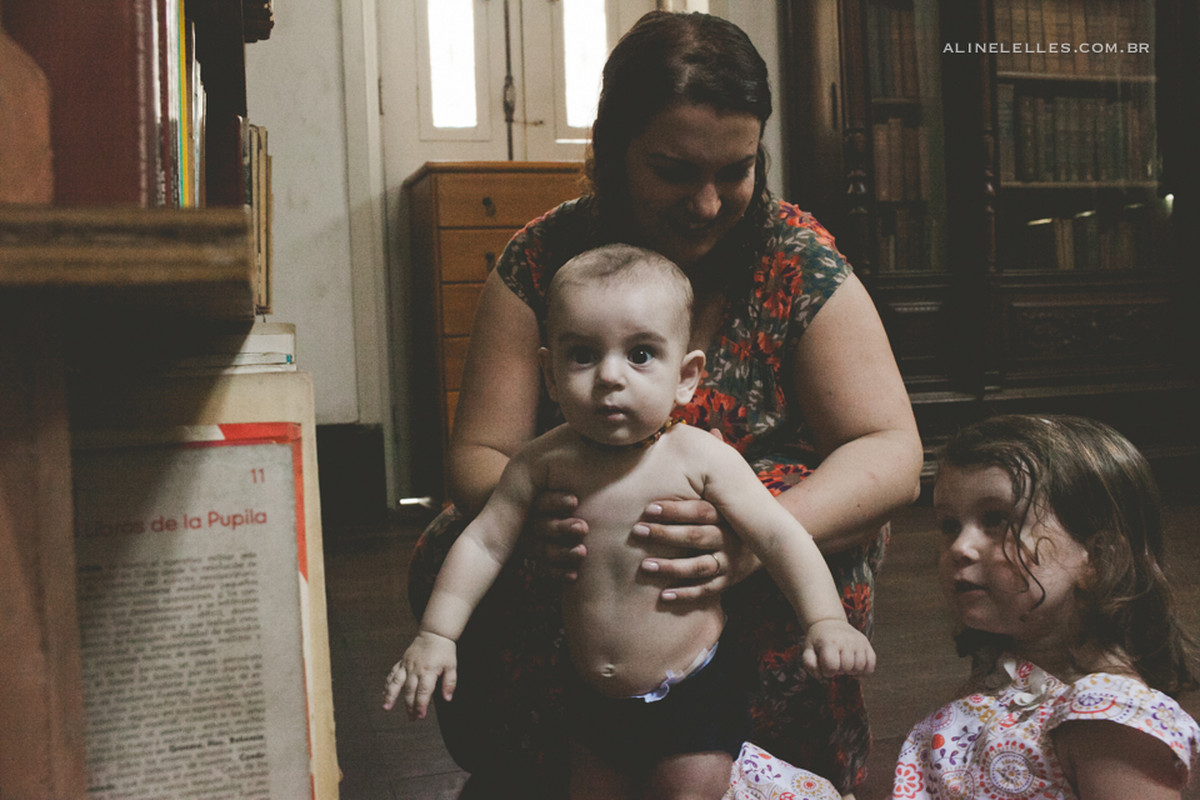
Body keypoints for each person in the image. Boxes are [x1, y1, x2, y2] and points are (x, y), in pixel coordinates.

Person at [406, 10, 924, 797]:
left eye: (737, 171)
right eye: (675, 171)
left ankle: (776, 773)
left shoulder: (795, 255)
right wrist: (534, 517)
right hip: (585, 558)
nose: (710, 203)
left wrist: (748, 541)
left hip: (748, 538)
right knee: (454, 542)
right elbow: (478, 453)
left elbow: (891, 452)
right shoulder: (544, 257)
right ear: (612, 152)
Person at [385, 245, 876, 799]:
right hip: (590, 691)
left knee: (691, 793)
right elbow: (485, 544)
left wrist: (826, 620)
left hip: (691, 687)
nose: (609, 377)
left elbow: (780, 536)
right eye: (582, 356)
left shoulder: (701, 460)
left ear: (686, 376)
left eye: (641, 354)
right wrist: (437, 633)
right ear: (548, 373)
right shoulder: (542, 463)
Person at [892, 414, 1200, 800]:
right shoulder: (1006, 680)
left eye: (996, 520)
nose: (960, 547)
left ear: (1098, 559)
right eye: (950, 525)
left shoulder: (1108, 717)